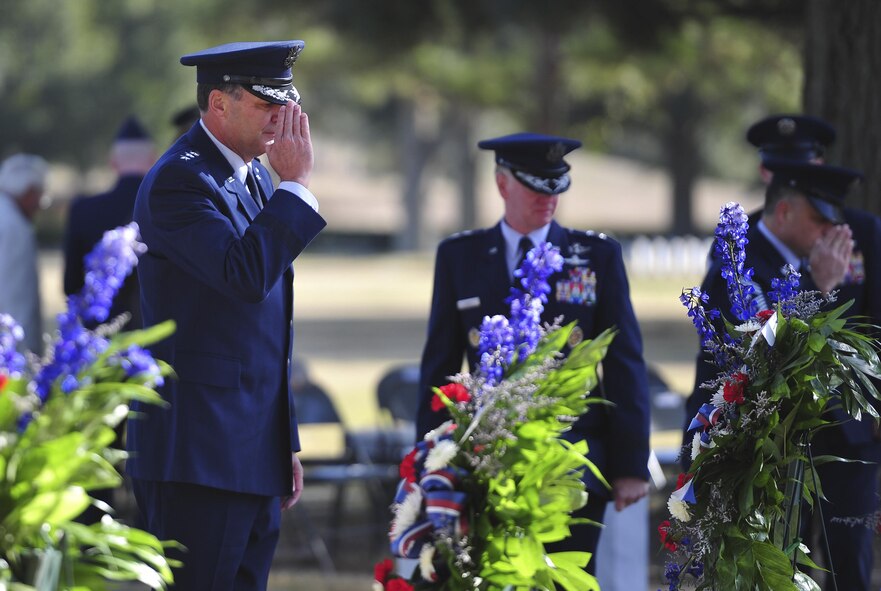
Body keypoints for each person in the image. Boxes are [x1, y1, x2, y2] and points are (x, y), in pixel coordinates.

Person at [125, 40, 326, 590]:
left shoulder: (258, 177)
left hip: (250, 449)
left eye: (288, 107)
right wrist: (297, 188)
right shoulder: (180, 180)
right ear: (219, 104)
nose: (283, 121)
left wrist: (281, 443)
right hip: (197, 454)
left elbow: (268, 332)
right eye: (267, 106)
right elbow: (244, 275)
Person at [416, 132, 651, 575]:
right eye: (535, 187)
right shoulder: (459, 257)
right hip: (486, 459)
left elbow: (623, 363)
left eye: (557, 187)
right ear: (503, 183)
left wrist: (630, 464)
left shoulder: (595, 256)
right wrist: (427, 462)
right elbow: (441, 369)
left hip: (573, 457)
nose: (548, 199)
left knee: (566, 577)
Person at [684, 157, 880, 591]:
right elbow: (757, 351)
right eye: (819, 219)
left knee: (851, 565)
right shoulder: (741, 258)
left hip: (845, 434)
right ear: (786, 211)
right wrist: (817, 284)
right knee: (778, 565)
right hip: (771, 443)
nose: (831, 233)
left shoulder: (837, 248)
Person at [63, 115, 156, 330]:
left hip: (99, 335)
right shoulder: (170, 207)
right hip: (154, 336)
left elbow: (71, 285)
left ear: (112, 161)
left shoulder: (82, 210)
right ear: (153, 158)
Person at [0, 153, 49, 355]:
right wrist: (29, 358)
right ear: (29, 191)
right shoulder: (14, 226)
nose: (40, 204)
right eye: (41, 195)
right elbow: (19, 301)